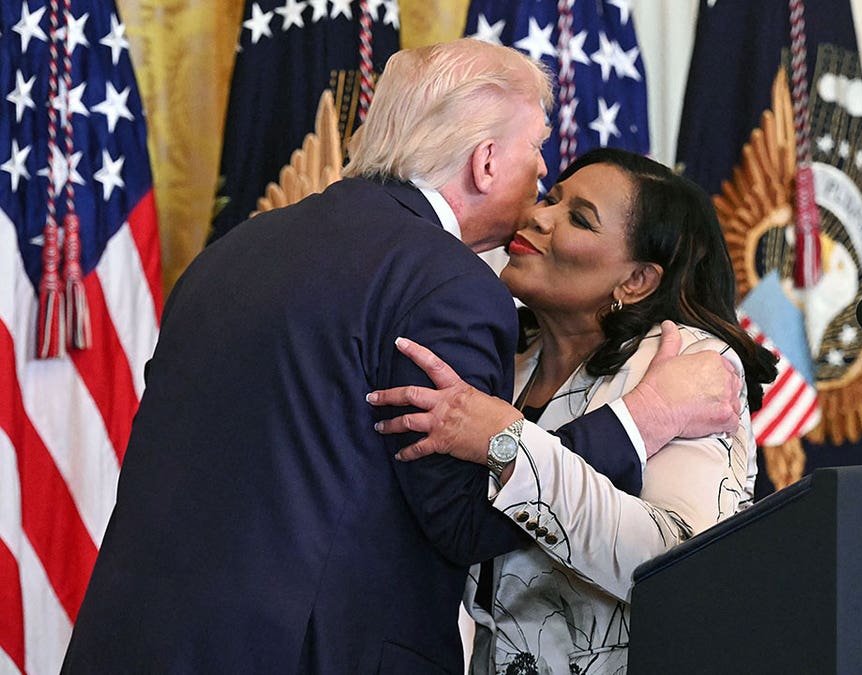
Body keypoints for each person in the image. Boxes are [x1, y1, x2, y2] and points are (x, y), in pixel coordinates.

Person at [63, 41, 740, 674]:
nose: (540, 185)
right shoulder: (449, 285)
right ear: (485, 161)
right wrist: (638, 418)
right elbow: (464, 521)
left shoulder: (232, 253)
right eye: (538, 155)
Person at [368, 148, 778, 674]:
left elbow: (677, 561)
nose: (539, 215)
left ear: (636, 281)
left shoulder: (687, 359)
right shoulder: (509, 361)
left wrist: (509, 442)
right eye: (552, 197)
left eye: (578, 218)